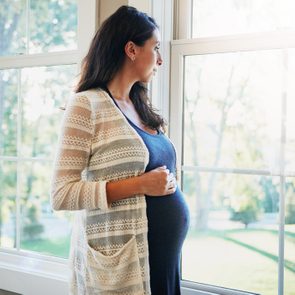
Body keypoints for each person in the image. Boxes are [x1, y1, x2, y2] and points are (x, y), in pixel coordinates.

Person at [51, 5, 189, 295]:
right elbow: (62, 193)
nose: (161, 60)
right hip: (123, 264)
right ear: (131, 49)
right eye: (156, 48)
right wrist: (140, 185)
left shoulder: (140, 106)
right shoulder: (86, 105)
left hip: (163, 263)